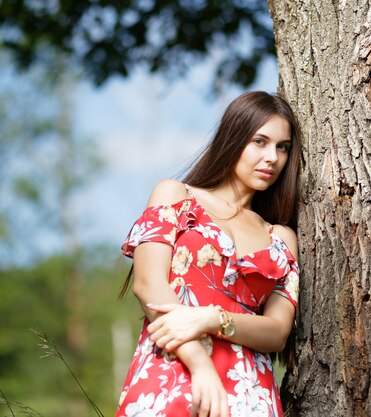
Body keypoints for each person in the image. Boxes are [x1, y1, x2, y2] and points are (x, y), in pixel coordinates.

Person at [116, 91, 301, 417]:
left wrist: (213, 318)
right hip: (174, 371)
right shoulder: (175, 195)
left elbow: (277, 332)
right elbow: (148, 287)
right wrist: (200, 364)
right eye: (260, 141)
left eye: (282, 147)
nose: (272, 157)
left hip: (250, 392)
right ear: (234, 137)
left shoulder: (280, 237)